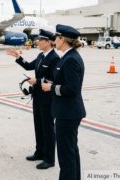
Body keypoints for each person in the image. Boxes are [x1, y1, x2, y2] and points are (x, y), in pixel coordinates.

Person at [7, 29, 60, 169]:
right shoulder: (41, 55)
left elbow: (54, 80)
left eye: (40, 40)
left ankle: (49, 159)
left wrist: (37, 80)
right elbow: (29, 66)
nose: (37, 42)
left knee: (48, 128)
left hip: (48, 98)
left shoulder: (55, 58)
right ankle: (39, 152)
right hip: (37, 96)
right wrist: (18, 57)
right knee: (39, 125)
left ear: (48, 42)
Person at [42, 24, 86, 180]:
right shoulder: (68, 57)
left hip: (68, 113)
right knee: (71, 150)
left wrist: (51, 88)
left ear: (63, 39)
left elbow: (72, 89)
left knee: (65, 155)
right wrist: (50, 82)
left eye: (56, 37)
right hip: (67, 111)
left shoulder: (71, 59)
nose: (54, 40)